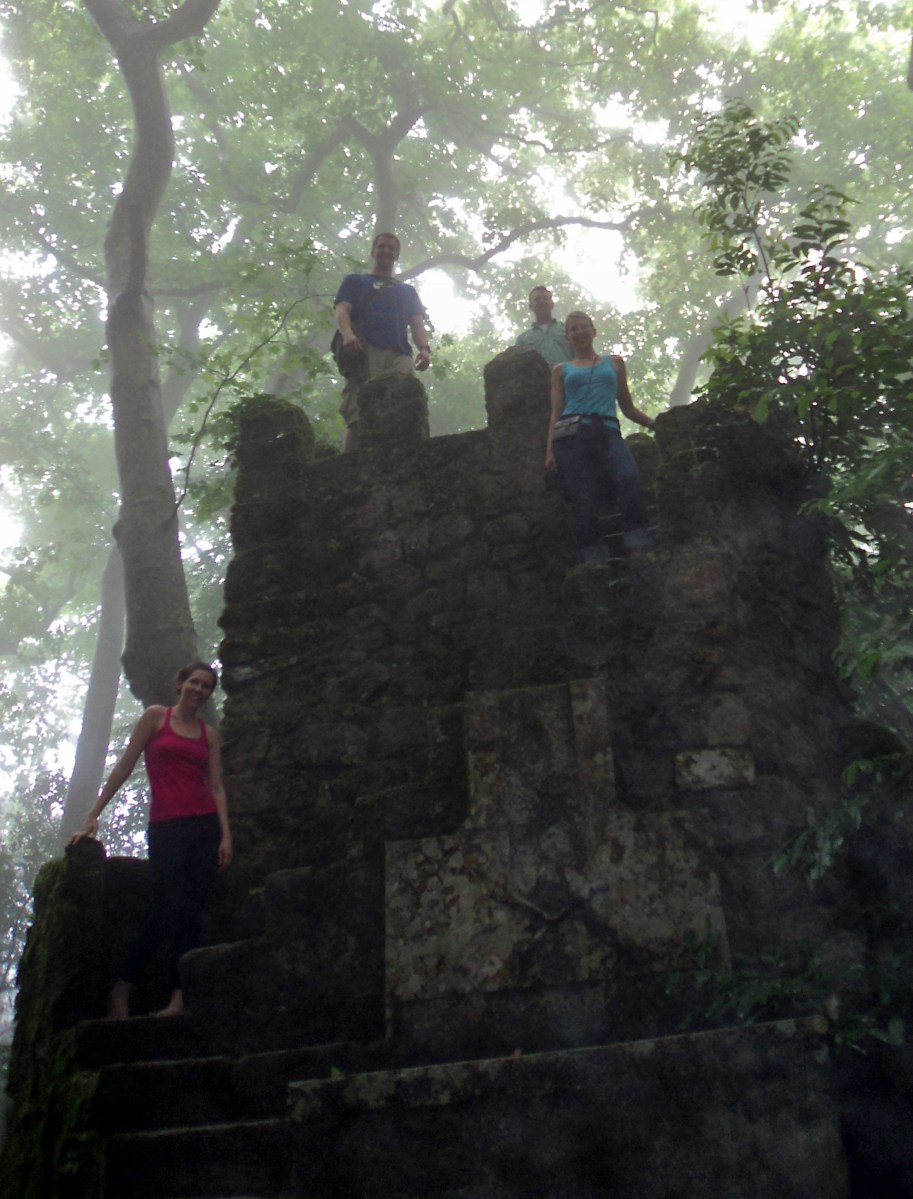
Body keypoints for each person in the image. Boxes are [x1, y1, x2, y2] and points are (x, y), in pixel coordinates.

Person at [67, 662, 232, 1020]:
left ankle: (177, 999)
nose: (199, 689)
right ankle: (121, 989)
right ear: (180, 683)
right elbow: (124, 766)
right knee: (167, 906)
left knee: (191, 912)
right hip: (166, 826)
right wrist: (93, 814)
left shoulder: (208, 735)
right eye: (194, 682)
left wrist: (226, 836)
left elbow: (216, 786)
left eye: (206, 686)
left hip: (203, 828)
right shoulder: (156, 718)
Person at [545, 311, 655, 562]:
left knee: (628, 477)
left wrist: (654, 424)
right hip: (572, 435)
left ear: (593, 331)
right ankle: (594, 557)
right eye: (573, 329)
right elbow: (556, 413)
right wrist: (549, 450)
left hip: (607, 431)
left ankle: (637, 543)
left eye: (583, 327)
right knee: (581, 494)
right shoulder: (561, 370)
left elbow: (627, 407)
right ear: (567, 337)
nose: (579, 332)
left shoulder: (614, 363)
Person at [334, 232, 432, 453]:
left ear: (397, 255)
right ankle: (348, 466)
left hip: (400, 355)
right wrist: (347, 334)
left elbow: (417, 324)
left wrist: (424, 349)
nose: (386, 250)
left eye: (391, 248)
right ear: (373, 251)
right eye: (381, 246)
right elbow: (342, 309)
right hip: (364, 351)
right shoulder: (355, 281)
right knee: (358, 416)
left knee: (404, 409)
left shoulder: (407, 291)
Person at [514, 285, 573, 368]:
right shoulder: (522, 340)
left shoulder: (567, 329)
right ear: (530, 306)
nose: (542, 301)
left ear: (552, 304)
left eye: (546, 298)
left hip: (567, 376)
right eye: (537, 299)